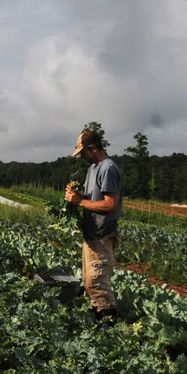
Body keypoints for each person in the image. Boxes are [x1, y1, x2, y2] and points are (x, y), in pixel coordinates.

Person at [64, 128, 122, 323]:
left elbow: (109, 204)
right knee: (89, 282)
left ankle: (109, 327)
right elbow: (93, 199)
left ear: (93, 148)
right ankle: (99, 321)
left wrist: (79, 202)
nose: (81, 156)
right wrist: (76, 195)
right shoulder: (92, 169)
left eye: (83, 152)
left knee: (98, 283)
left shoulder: (107, 168)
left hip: (102, 235)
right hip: (91, 234)